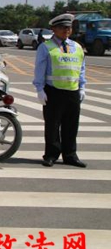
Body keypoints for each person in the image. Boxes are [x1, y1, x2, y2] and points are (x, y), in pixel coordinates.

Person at [33, 14, 87, 168]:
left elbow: (81, 69)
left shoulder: (77, 47)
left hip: (72, 91)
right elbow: (40, 69)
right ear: (54, 29)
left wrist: (82, 87)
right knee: (52, 125)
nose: (66, 30)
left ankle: (70, 155)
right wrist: (39, 89)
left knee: (71, 126)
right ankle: (51, 155)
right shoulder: (46, 47)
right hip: (53, 91)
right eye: (62, 27)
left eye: (68, 27)